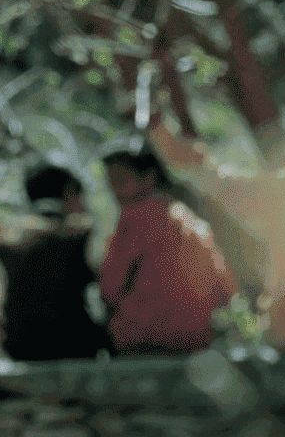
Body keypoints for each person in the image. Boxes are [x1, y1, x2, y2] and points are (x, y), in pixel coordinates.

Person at [98, 145, 238, 355]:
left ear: (149, 178)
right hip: (196, 340)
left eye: (121, 181)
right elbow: (225, 285)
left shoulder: (135, 217)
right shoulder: (190, 220)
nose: (115, 192)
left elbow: (110, 288)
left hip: (145, 341)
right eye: (112, 184)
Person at [0, 164, 110, 361]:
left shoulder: (10, 243)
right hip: (69, 345)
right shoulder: (76, 238)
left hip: (19, 347)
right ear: (69, 193)